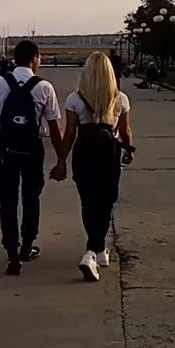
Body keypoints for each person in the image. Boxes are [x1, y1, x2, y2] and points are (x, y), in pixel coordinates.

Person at [0, 40, 63, 276]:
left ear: (14, 58)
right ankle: (27, 246)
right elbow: (54, 128)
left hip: (6, 149)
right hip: (32, 149)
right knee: (31, 197)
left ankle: (11, 254)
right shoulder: (44, 87)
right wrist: (61, 159)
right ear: (35, 58)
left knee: (7, 199)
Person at [53, 52, 134, 282]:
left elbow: (70, 133)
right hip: (109, 155)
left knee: (88, 202)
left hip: (84, 154)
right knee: (106, 201)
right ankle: (93, 251)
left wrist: (61, 160)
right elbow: (125, 131)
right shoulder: (120, 99)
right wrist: (129, 150)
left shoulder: (74, 99)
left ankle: (97, 250)